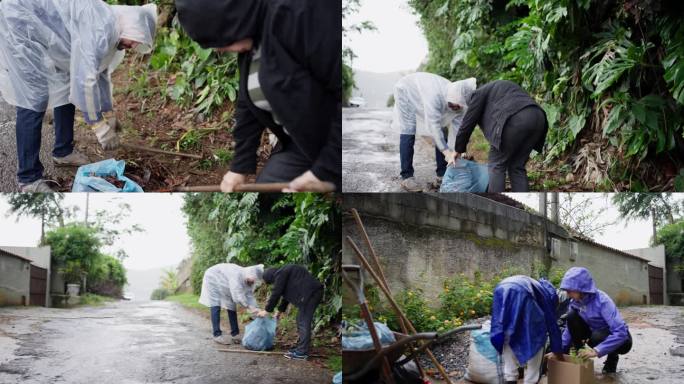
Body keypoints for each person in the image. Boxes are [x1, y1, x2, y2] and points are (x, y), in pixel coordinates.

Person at [175, 0, 341, 193]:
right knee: (267, 190)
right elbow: (247, 102)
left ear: (232, 21)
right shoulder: (252, 39)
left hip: (337, 146)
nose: (218, 50)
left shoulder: (299, 16)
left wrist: (326, 170)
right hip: (302, 146)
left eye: (218, 40)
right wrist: (240, 165)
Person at [0, 0, 157, 192]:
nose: (133, 46)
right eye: (136, 40)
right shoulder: (102, 30)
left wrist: (110, 116)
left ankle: (63, 152)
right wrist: (100, 127)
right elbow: (83, 84)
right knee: (34, 97)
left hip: (47, 29)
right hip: (20, 20)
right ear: (132, 27)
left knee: (65, 86)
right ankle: (28, 179)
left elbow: (99, 75)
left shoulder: (112, 27)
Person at [452, 80, 548, 192]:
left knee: (496, 165)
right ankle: (520, 208)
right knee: (517, 166)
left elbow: (467, 124)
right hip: (538, 118)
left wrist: (457, 149)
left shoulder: (477, 95)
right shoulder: (497, 88)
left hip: (514, 120)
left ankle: (496, 202)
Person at [391, 73, 476, 191]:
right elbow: (434, 128)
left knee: (443, 133)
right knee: (409, 130)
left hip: (425, 93)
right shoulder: (435, 96)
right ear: (450, 98)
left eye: (459, 106)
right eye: (453, 105)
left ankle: (442, 174)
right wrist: (446, 153)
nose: (455, 108)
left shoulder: (462, 103)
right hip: (407, 90)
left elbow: (457, 132)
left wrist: (455, 153)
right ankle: (407, 176)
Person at [553, 267, 632, 374]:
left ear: (581, 288)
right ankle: (579, 354)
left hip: (621, 339)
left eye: (569, 290)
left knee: (597, 338)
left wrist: (596, 351)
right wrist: (558, 351)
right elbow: (569, 328)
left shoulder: (603, 301)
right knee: (571, 316)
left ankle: (612, 357)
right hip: (595, 333)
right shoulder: (575, 302)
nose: (567, 294)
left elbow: (621, 332)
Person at [490, 275, 563, 384]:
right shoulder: (546, 295)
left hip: (501, 288)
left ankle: (510, 377)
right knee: (536, 338)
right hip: (524, 294)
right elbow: (552, 324)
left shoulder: (534, 285)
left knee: (507, 333)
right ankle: (530, 380)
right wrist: (557, 351)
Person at [258, 265, 323, 360]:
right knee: (300, 320)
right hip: (312, 293)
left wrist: (267, 310)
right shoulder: (285, 272)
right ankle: (301, 348)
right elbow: (285, 295)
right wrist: (280, 310)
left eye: (272, 282)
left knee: (303, 321)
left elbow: (276, 292)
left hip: (310, 294)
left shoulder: (280, 274)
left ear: (271, 277)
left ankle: (302, 352)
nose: (274, 283)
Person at [198, 263, 264, 345]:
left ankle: (235, 334)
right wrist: (249, 307)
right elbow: (237, 296)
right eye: (251, 280)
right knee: (215, 304)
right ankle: (217, 335)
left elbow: (250, 296)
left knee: (231, 306)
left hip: (225, 282)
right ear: (249, 275)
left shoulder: (250, 279)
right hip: (212, 277)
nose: (252, 282)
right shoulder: (237, 275)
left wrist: (256, 309)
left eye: (254, 281)